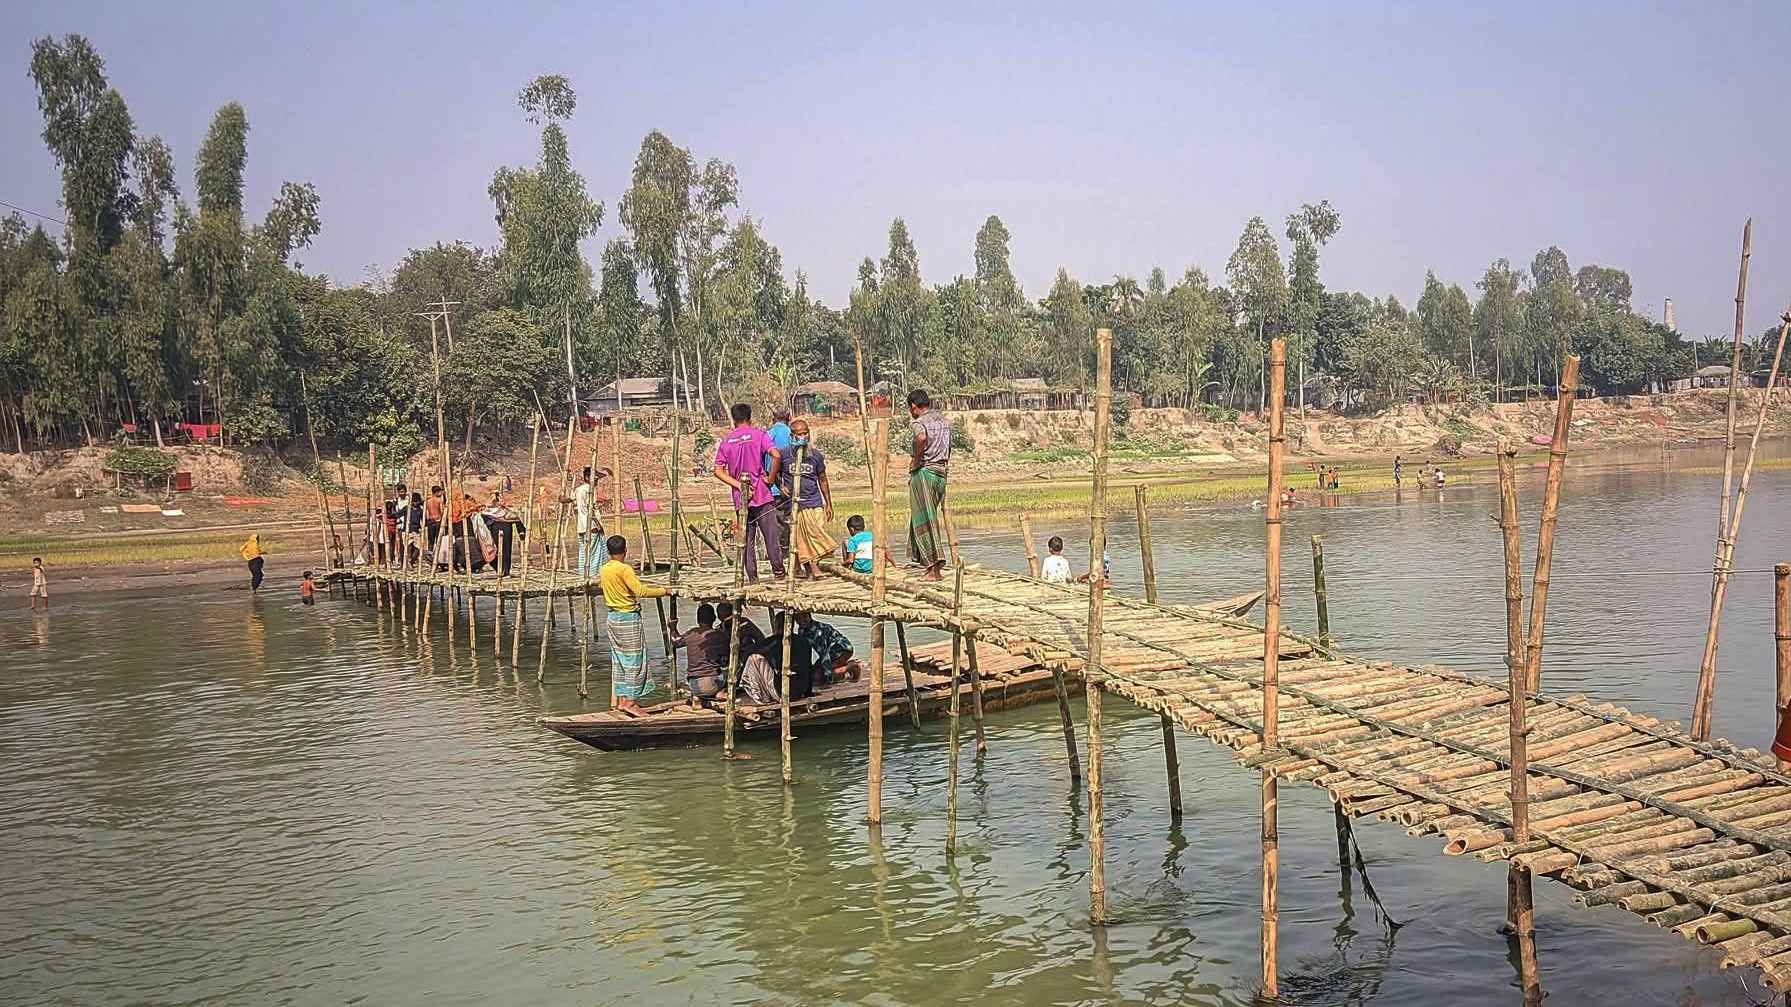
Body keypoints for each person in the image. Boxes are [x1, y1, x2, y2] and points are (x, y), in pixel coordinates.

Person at [600, 535, 671, 715]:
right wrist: (664, 591)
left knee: (620, 660)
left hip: (612, 618)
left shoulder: (604, 569)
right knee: (634, 660)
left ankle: (622, 699)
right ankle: (630, 702)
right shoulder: (625, 569)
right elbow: (640, 591)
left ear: (608, 552)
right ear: (625, 550)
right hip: (628, 618)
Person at [713, 402, 784, 581]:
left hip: (741, 498)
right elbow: (776, 455)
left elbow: (718, 471)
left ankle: (752, 578)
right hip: (762, 494)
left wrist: (738, 485)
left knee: (746, 540)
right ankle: (779, 573)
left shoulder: (727, 441)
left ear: (733, 419)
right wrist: (770, 478)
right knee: (771, 537)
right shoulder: (759, 435)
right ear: (749, 417)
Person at [906, 388, 951, 580]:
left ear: (914, 406)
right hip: (941, 472)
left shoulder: (919, 423)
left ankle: (934, 568)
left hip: (925, 472)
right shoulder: (944, 421)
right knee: (925, 517)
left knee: (925, 519)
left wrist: (916, 461)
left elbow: (921, 438)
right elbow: (948, 448)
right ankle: (929, 564)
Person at [783, 418, 833, 578]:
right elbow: (773, 473)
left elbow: (823, 479)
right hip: (796, 505)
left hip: (814, 501)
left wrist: (828, 503)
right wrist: (781, 486)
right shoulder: (784, 455)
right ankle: (813, 568)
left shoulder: (816, 456)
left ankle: (812, 567)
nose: (803, 437)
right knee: (801, 538)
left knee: (816, 534)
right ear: (792, 436)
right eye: (799, 434)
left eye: (806, 433)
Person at [669, 603, 729, 703]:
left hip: (694, 685)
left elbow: (676, 641)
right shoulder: (719, 635)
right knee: (728, 668)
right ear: (714, 618)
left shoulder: (692, 633)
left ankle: (698, 697)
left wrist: (672, 628)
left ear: (697, 619)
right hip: (713, 684)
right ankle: (721, 692)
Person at [795, 611, 858, 685]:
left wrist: (828, 676)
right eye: (798, 618)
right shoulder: (802, 630)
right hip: (830, 652)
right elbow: (804, 650)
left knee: (818, 677)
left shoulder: (818, 632)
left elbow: (824, 654)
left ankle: (850, 667)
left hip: (842, 650)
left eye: (804, 617)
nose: (801, 621)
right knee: (813, 674)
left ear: (810, 616)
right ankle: (840, 668)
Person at [766, 406, 794, 553]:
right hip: (789, 487)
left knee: (776, 522)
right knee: (789, 520)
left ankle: (778, 552)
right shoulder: (793, 434)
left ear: (773, 419)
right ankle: (786, 550)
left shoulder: (767, 435)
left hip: (771, 488)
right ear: (789, 418)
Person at [571, 466, 608, 577]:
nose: (597, 480)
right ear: (587, 478)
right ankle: (593, 575)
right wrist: (598, 524)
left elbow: (571, 499)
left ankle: (584, 574)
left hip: (581, 526)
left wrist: (562, 499)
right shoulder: (589, 490)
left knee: (584, 552)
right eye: (595, 477)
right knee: (594, 554)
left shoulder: (579, 490)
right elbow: (590, 509)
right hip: (591, 526)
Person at [482, 490, 526, 577]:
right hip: (495, 532)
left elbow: (516, 519)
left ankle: (505, 571)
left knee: (506, 551)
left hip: (506, 532)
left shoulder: (506, 511)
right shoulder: (487, 512)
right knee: (495, 551)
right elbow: (483, 521)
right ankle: (500, 570)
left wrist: (521, 532)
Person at [425, 485, 445, 553]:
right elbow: (442, 511)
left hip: (430, 521)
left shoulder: (428, 501)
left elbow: (427, 513)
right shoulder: (439, 500)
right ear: (436, 492)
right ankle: (438, 553)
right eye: (439, 492)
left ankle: (430, 553)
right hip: (438, 521)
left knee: (431, 540)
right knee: (438, 539)